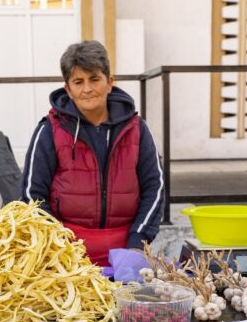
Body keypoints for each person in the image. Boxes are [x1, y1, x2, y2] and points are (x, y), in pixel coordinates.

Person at [21, 40, 164, 267]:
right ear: (68, 89)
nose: (87, 89)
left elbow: (154, 189)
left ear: (109, 82)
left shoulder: (136, 129)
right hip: (66, 256)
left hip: (126, 252)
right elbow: (32, 195)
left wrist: (137, 243)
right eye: (78, 82)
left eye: (94, 79)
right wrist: (57, 246)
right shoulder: (49, 129)